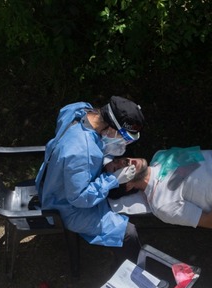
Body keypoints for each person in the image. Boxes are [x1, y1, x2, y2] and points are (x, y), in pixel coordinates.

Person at [35, 96, 145, 263]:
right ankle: (131, 280)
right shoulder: (83, 152)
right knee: (128, 233)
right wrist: (112, 179)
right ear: (110, 127)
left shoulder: (78, 110)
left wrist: (105, 163)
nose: (124, 144)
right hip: (64, 206)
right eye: (124, 138)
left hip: (50, 181)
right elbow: (80, 199)